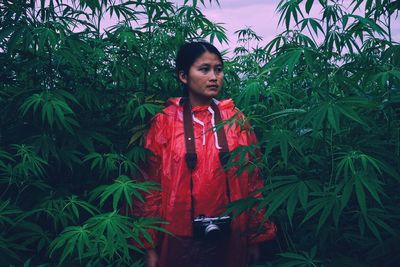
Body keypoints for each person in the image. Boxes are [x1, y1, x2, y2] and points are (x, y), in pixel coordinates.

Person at [135, 41, 276, 267]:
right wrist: (148, 245)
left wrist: (254, 237)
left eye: (218, 70)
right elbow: (148, 187)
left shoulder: (236, 120)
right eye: (204, 69)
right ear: (183, 76)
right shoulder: (165, 123)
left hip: (232, 238)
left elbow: (253, 182)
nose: (214, 77)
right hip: (176, 239)